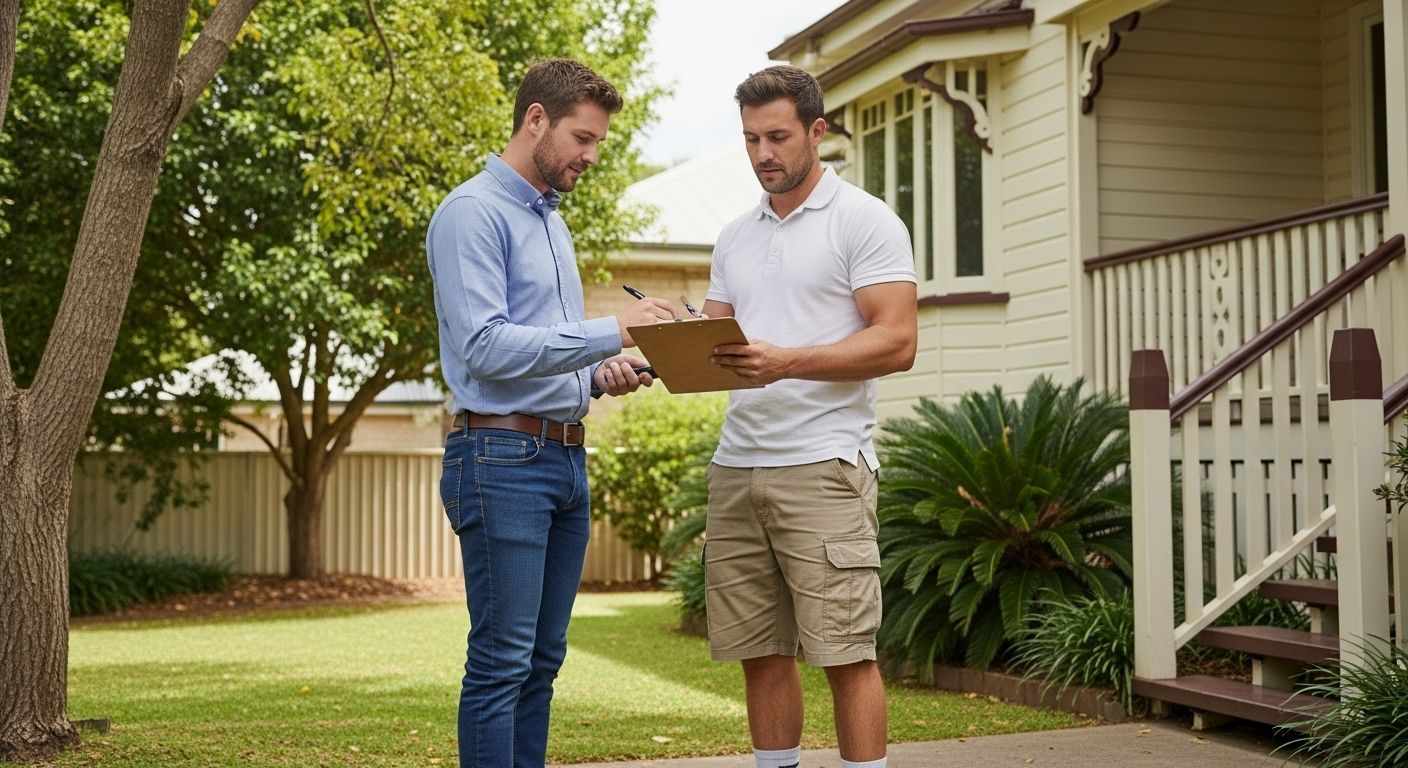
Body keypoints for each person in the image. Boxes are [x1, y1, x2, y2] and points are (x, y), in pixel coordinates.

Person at [425, 58, 677, 768]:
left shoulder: (550, 225)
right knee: (502, 662)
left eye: (599, 143)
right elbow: (484, 349)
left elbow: (542, 351)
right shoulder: (472, 214)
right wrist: (613, 330)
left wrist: (601, 373)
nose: (592, 157)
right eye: (583, 138)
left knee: (541, 662)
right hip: (501, 462)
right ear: (536, 119)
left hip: (563, 459)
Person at [699, 65, 918, 768]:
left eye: (778, 136)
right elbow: (710, 341)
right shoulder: (734, 236)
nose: (763, 153)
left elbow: (897, 340)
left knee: (845, 654)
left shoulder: (866, 221)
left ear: (816, 132)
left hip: (823, 465)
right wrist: (645, 355)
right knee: (759, 652)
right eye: (751, 139)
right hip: (737, 467)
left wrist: (788, 361)